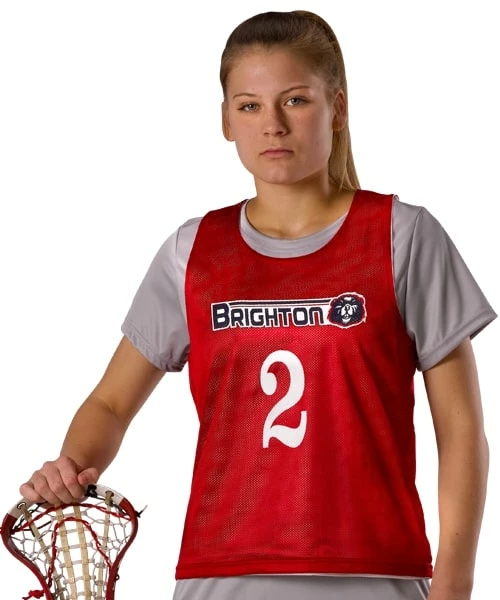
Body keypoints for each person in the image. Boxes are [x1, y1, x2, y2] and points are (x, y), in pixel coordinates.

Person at [19, 10, 496, 600]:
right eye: (249, 106)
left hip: (376, 571)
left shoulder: (403, 237)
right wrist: (70, 467)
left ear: (338, 108)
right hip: (219, 573)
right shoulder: (193, 252)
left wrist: (455, 582)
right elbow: (111, 404)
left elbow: (461, 428)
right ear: (226, 120)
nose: (272, 124)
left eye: (295, 100)